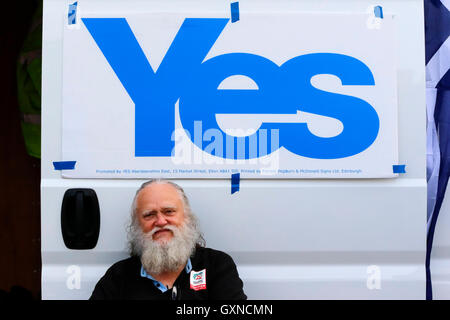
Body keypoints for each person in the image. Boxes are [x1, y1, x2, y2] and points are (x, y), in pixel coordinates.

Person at [90, 179, 247, 300]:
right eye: (149, 214)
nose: (160, 221)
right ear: (137, 224)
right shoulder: (118, 277)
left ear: (187, 218)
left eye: (169, 211)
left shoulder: (216, 266)